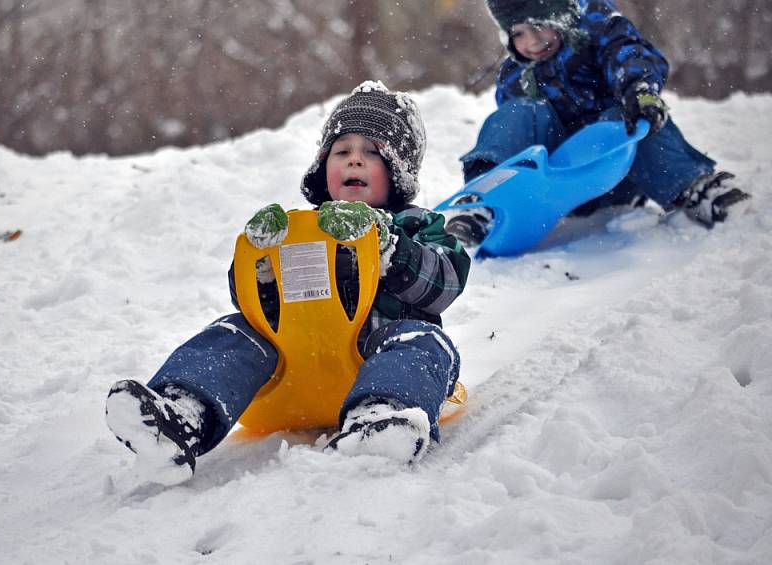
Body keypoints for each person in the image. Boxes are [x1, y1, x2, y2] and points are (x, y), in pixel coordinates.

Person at [104, 81, 471, 484]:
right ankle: (181, 415)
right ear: (322, 165)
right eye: (342, 151)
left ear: (398, 172)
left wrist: (390, 246)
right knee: (236, 331)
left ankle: (383, 416)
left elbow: (446, 283)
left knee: (421, 340)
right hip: (294, 375)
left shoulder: (415, 226)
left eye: (373, 153)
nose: (355, 162)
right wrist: (262, 262)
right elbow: (254, 305)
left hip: (373, 362)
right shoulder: (303, 229)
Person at [445, 0, 751, 247]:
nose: (533, 41)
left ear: (559, 14)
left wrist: (639, 90)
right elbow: (515, 133)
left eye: (541, 25)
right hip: (557, 182)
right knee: (517, 112)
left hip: (621, 166)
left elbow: (627, 51)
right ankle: (483, 199)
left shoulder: (595, 24)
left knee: (626, 119)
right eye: (519, 33)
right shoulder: (515, 74)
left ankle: (693, 186)